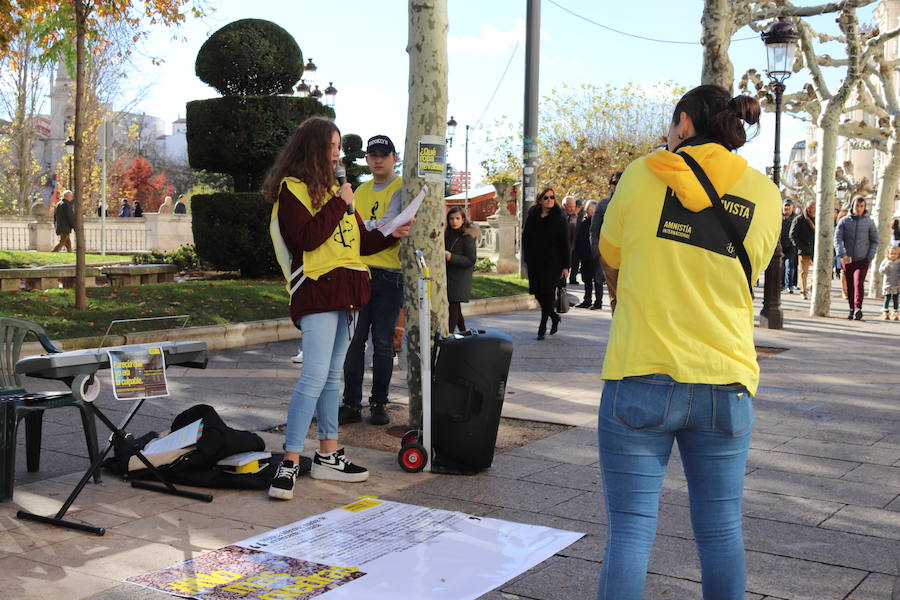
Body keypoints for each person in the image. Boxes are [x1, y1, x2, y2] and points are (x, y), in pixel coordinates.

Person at [596, 84, 780, 598]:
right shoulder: (764, 194)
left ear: (682, 123)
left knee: (630, 532)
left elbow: (610, 254)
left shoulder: (641, 174)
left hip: (641, 372)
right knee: (721, 531)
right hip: (726, 380)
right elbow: (750, 274)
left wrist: (623, 297)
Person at [262, 117, 411, 500]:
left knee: (331, 378)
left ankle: (329, 454)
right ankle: (290, 461)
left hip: (349, 292)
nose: (338, 153)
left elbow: (359, 242)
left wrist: (390, 233)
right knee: (312, 377)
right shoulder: (292, 189)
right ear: (314, 148)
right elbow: (307, 239)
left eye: (339, 146)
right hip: (316, 289)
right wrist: (340, 203)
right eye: (333, 145)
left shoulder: (336, 191)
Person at [340, 135, 405, 427]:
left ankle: (379, 402)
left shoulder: (402, 186)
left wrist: (373, 227)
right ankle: (351, 404)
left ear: (394, 157)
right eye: (372, 154)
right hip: (359, 272)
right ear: (367, 158)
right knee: (353, 344)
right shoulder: (361, 191)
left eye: (383, 154)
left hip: (390, 276)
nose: (377, 159)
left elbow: (391, 224)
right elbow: (357, 228)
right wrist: (376, 228)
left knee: (382, 344)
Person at [522, 187, 569, 340]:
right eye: (546, 198)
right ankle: (554, 317)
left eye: (552, 197)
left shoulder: (559, 217)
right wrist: (527, 258)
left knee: (548, 293)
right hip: (535, 262)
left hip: (553, 263)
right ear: (540, 200)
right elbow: (526, 238)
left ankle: (542, 326)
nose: (549, 200)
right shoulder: (533, 215)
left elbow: (565, 243)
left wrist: (566, 266)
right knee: (537, 293)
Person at [835, 196, 879, 320]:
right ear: (852, 206)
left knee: (858, 283)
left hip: (862, 259)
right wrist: (842, 254)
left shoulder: (869, 222)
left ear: (864, 207)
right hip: (847, 259)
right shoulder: (844, 221)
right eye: (857, 206)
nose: (859, 208)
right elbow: (837, 238)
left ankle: (858, 308)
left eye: (861, 206)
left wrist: (869, 256)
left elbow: (875, 241)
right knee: (850, 285)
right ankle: (851, 308)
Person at [591, 171, 623, 311]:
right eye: (614, 182)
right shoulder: (603, 204)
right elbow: (594, 231)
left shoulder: (633, 202)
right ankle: (618, 327)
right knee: (615, 294)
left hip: (629, 255)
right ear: (610, 185)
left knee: (628, 293)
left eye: (620, 182)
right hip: (608, 257)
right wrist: (598, 254)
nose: (616, 185)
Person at [444, 206, 477, 333]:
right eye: (451, 218)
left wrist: (451, 257)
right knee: (456, 308)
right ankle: (464, 332)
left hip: (460, 278)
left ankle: (449, 335)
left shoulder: (467, 237)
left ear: (463, 220)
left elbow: (470, 260)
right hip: (448, 276)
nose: (454, 221)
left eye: (458, 218)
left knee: (453, 307)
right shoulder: (446, 235)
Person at [789, 200, 816, 300]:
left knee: (817, 271)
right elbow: (792, 235)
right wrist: (800, 247)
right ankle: (803, 291)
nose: (813, 210)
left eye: (815, 208)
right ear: (808, 208)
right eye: (812, 207)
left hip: (815, 250)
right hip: (804, 250)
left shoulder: (817, 219)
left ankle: (812, 286)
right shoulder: (799, 219)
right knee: (804, 273)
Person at [574, 201, 598, 308]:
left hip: (594, 255)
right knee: (587, 279)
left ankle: (598, 302)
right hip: (584, 256)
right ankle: (587, 300)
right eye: (587, 208)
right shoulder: (584, 222)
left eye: (589, 208)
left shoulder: (598, 223)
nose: (587, 210)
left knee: (596, 280)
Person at [878, 245, 900, 320]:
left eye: (895, 254)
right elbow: (881, 271)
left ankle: (895, 313)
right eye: (891, 253)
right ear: (888, 254)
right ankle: (885, 312)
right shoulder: (886, 261)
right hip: (887, 284)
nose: (893, 255)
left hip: (897, 284)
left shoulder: (899, 262)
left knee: (896, 299)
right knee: (887, 298)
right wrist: (887, 265)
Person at [780, 200, 798, 293]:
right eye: (785, 206)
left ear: (792, 207)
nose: (786, 208)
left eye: (788, 206)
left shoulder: (796, 218)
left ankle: (789, 285)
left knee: (789, 265)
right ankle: (781, 284)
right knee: (780, 266)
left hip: (791, 246)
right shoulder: (778, 217)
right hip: (780, 246)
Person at [562, 196, 580, 284]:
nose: (572, 209)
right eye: (570, 207)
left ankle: (562, 289)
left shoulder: (574, 216)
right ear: (564, 206)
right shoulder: (559, 217)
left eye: (573, 207)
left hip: (571, 247)